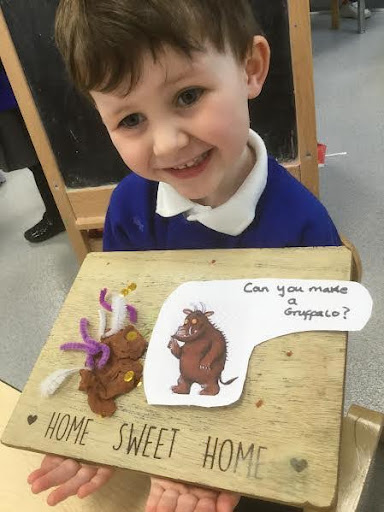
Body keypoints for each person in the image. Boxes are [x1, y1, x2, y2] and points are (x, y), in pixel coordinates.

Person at [28, 1, 341, 511]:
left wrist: (212, 450)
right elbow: (131, 324)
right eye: (130, 119)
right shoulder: (130, 207)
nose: (169, 143)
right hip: (163, 420)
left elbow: (303, 380)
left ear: (251, 68)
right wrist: (98, 423)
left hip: (252, 445)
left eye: (188, 95)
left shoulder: (305, 231)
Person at [0, 63, 65, 243]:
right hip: (16, 90)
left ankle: (57, 215)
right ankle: (58, 212)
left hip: (12, 95)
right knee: (39, 160)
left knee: (38, 160)